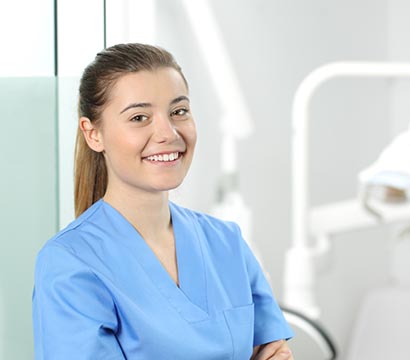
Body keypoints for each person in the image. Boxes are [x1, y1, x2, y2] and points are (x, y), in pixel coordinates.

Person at [32, 43, 294, 360]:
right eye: (140, 117)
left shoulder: (226, 243)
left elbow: (273, 351)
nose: (167, 133)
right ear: (93, 134)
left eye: (178, 112)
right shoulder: (71, 263)